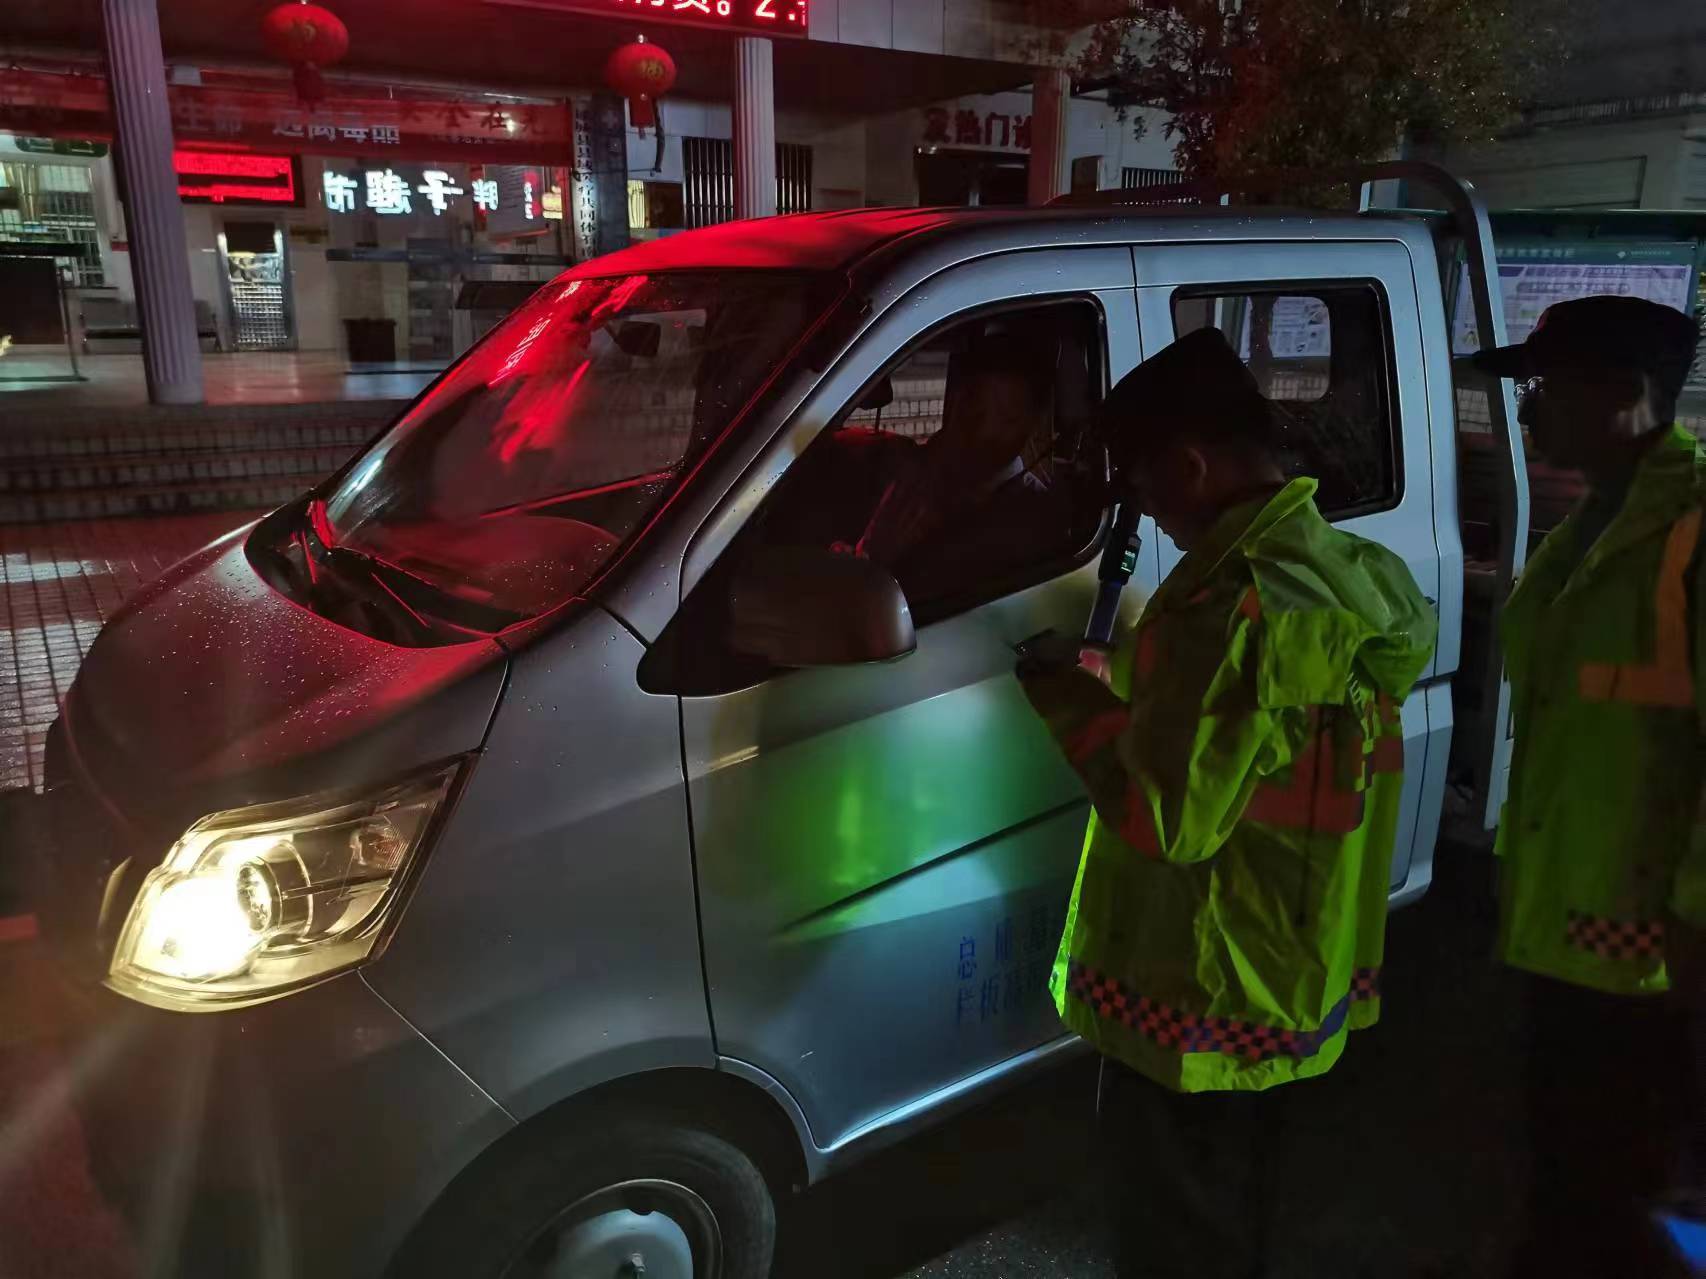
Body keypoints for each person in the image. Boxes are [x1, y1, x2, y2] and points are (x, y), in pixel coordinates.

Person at [1015, 327, 1436, 1278]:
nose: (1151, 514)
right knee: (1253, 1222)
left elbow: (1167, 818)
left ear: (1192, 464)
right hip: (1290, 969)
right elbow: (1252, 740)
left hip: (1197, 992)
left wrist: (1065, 695)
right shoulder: (1347, 572)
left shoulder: (1231, 607)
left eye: (1145, 485)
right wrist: (1132, 685)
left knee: (1177, 1238)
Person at [1472, 294, 1706, 1279]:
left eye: (1544, 386)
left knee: (1627, 1202)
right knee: (1569, 1176)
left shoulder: (1687, 532)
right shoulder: (1599, 520)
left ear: (1624, 394)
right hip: (1566, 930)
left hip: (1651, 965)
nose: (1527, 409)